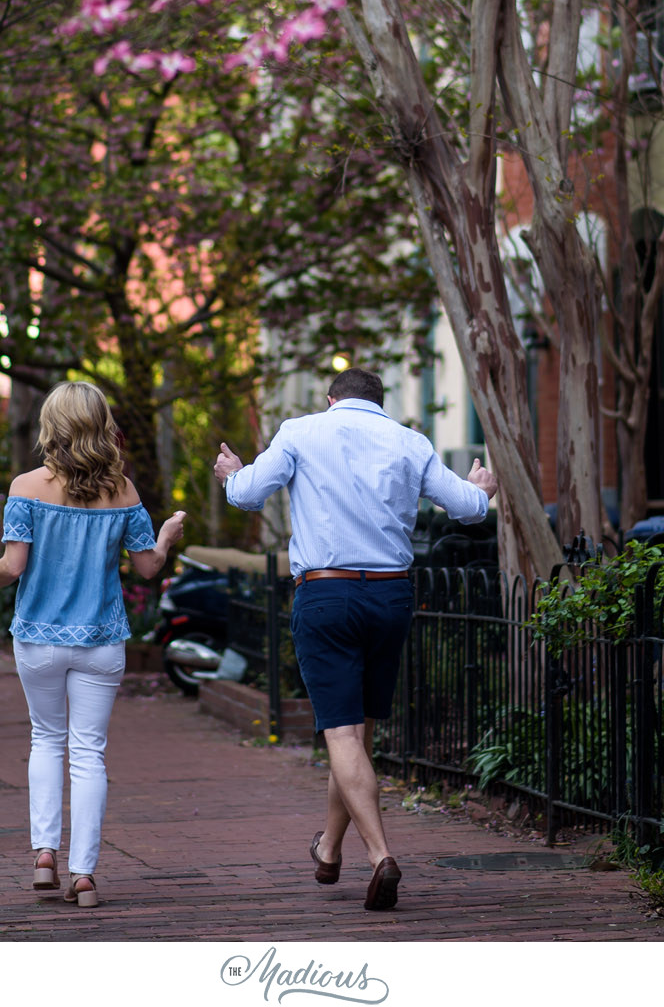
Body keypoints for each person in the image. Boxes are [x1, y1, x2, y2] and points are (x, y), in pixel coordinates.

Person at [213, 366, 497, 911]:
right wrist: (481, 491)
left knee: (342, 735)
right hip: (390, 598)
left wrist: (233, 470)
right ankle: (329, 849)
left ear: (331, 399)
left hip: (327, 595)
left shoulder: (300, 431)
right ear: (380, 402)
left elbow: (246, 495)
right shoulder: (409, 441)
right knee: (357, 733)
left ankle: (380, 855)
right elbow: (466, 508)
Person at [0, 381, 185, 908]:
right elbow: (147, 568)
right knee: (89, 754)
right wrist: (166, 534)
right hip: (101, 640)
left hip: (38, 636)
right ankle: (83, 874)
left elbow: (13, 567)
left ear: (52, 427)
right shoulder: (123, 491)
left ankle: (43, 855)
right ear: (101, 425)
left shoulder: (26, 486)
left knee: (46, 739)